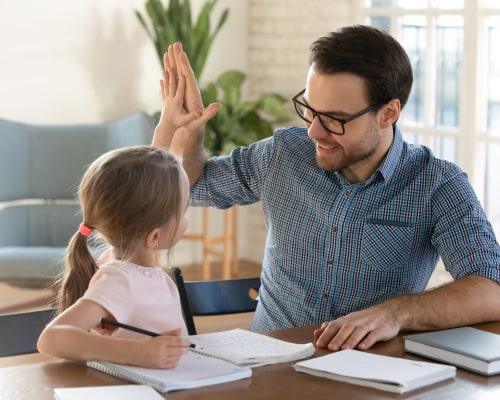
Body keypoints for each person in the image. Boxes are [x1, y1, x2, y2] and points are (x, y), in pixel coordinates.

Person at [154, 25, 500, 352]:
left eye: (334, 119)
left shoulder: (437, 185)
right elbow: (189, 187)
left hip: (366, 371)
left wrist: (395, 313)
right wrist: (188, 132)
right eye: (310, 110)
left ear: (388, 113)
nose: (314, 132)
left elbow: (491, 289)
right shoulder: (283, 155)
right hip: (269, 365)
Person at [37, 66, 211, 368]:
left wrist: (167, 126)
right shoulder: (119, 279)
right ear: (154, 236)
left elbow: (148, 193)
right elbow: (51, 339)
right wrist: (139, 353)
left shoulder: (128, 263)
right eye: (183, 211)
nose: (186, 218)